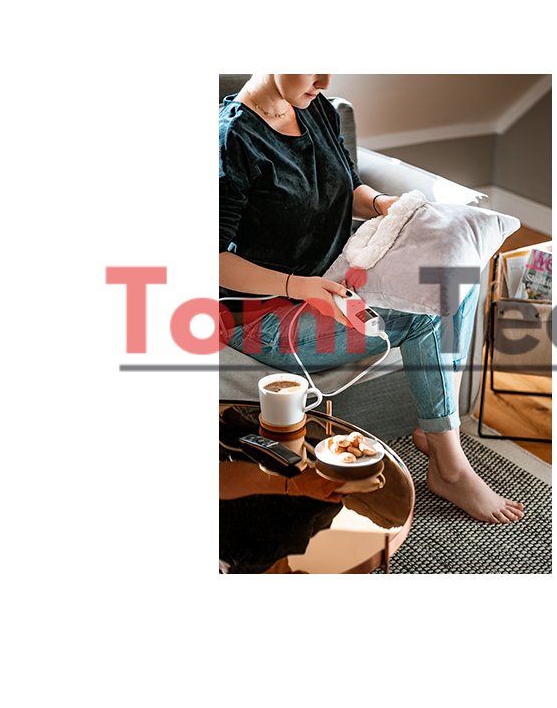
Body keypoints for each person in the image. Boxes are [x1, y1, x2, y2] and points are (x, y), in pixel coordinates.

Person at [219, 74, 524, 524]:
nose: (324, 80)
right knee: (424, 316)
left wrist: (384, 205)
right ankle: (450, 468)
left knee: (455, 273)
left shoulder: (315, 108)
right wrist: (298, 286)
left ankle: (434, 428)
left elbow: (347, 188)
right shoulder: (231, 141)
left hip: (335, 276)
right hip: (262, 313)